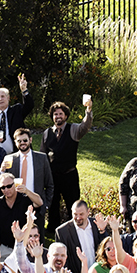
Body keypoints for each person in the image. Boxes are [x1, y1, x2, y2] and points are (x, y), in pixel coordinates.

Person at [43, 98, 94, 232]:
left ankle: (74, 227)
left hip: (69, 175)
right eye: (55, 114)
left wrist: (88, 110)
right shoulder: (47, 133)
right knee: (53, 204)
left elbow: (85, 126)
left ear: (65, 115)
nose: (58, 116)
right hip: (53, 176)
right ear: (52, 116)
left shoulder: (73, 129)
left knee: (73, 203)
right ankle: (53, 228)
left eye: (60, 114)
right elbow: (43, 155)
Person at [0, 76, 33, 152]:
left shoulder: (17, 110)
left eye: (2, 96)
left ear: (8, 98)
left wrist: (24, 90)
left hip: (17, 152)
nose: (0, 99)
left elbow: (29, 105)